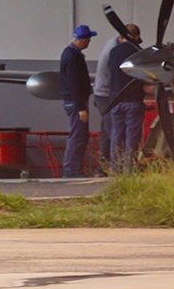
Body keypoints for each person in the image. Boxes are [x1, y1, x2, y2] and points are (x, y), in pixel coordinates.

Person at [105, 23, 146, 171]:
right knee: (132, 137)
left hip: (116, 100)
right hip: (134, 100)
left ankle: (115, 168)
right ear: (137, 37)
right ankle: (130, 169)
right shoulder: (138, 53)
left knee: (116, 135)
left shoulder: (113, 52)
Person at [59, 25, 95, 178]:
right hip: (75, 103)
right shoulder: (73, 56)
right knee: (77, 135)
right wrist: (81, 107)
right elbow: (74, 83)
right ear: (84, 40)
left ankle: (73, 169)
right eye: (89, 39)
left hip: (73, 102)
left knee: (80, 135)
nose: (89, 42)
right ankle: (71, 171)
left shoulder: (70, 53)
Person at [92, 33, 118, 169]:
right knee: (114, 130)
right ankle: (116, 166)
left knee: (107, 133)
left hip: (101, 93)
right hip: (105, 95)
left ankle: (102, 167)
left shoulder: (111, 43)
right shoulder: (115, 50)